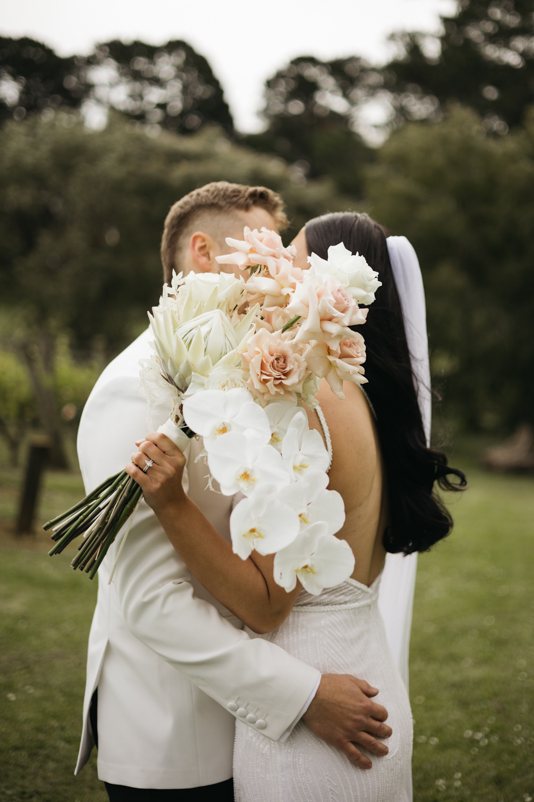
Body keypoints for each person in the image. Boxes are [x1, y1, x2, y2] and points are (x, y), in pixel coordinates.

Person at [129, 211, 466, 801]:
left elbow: (267, 605)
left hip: (321, 716)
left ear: (321, 287)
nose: (272, 272)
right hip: (369, 680)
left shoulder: (305, 398)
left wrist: (171, 503)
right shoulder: (368, 400)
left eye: (291, 258)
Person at [76, 191, 393, 802]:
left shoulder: (243, 367)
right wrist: (301, 695)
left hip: (249, 734)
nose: (276, 268)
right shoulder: (133, 390)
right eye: (262, 249)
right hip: (180, 742)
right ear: (204, 251)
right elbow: (149, 601)